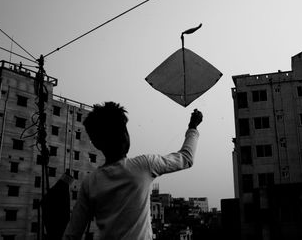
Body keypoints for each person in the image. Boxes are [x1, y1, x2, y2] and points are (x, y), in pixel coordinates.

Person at [63, 102, 203, 239]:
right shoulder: (144, 165)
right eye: (122, 130)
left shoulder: (90, 182)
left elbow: (72, 233)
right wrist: (193, 127)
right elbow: (186, 158)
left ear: (96, 143)